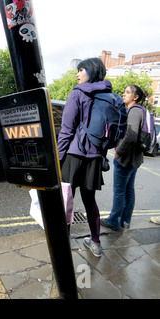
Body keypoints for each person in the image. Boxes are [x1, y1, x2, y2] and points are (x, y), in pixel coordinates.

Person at [57, 58, 112, 258]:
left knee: (67, 201)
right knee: (90, 201)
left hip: (74, 155)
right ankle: (96, 242)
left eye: (81, 70)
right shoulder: (108, 95)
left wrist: (58, 157)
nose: (77, 74)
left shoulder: (77, 93)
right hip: (96, 157)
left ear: (91, 71)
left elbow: (67, 130)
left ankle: (63, 242)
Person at [101, 85, 146, 231]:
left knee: (120, 191)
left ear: (136, 97)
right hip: (135, 159)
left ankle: (114, 221)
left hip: (126, 159)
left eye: (127, 92)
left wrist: (118, 152)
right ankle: (125, 220)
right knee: (128, 190)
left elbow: (131, 136)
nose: (124, 94)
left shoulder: (134, 111)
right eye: (124, 92)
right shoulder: (141, 111)